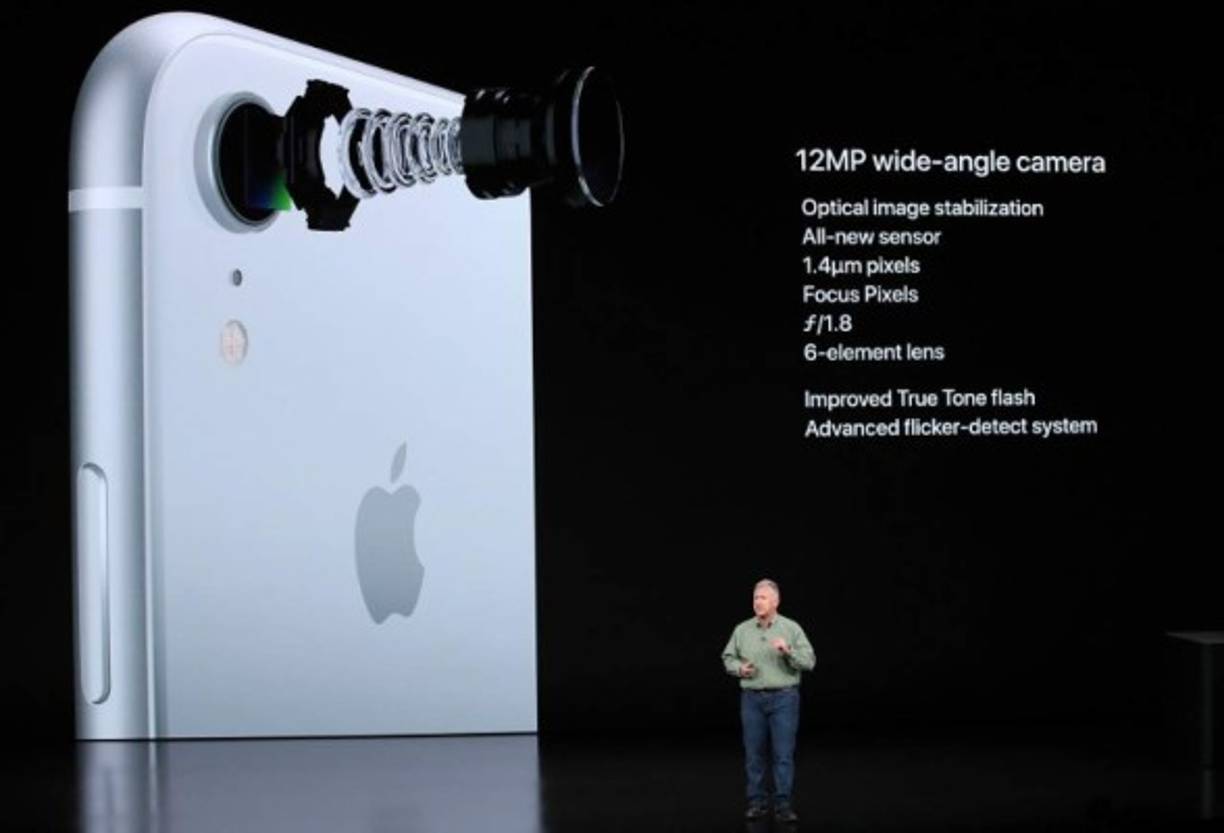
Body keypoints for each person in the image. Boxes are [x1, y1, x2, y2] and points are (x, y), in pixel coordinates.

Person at [721, 578, 816, 823]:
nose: (757, 602)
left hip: (784, 699)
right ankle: (757, 803)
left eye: (763, 598)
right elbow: (728, 657)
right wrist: (740, 669)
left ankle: (783, 805)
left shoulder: (791, 629)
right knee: (754, 755)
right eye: (755, 598)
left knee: (783, 755)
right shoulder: (742, 630)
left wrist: (788, 652)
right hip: (752, 700)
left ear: (775, 601)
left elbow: (809, 661)